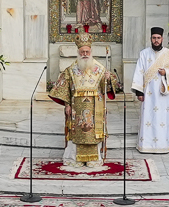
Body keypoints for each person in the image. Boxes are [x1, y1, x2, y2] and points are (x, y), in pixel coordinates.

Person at [49, 32, 120, 167]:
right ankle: (75, 158)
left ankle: (93, 158)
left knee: (92, 133)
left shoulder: (100, 68)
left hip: (95, 107)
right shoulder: (70, 70)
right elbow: (64, 88)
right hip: (76, 108)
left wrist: (108, 78)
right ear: (78, 52)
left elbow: (108, 85)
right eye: (82, 52)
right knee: (77, 132)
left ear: (91, 51)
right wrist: (67, 105)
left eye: (87, 51)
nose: (85, 54)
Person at [131, 27, 169, 154]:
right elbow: (139, 72)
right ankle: (146, 145)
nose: (156, 40)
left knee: (163, 118)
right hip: (148, 93)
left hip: (164, 93)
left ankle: (163, 145)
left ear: (162, 38)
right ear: (151, 38)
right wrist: (139, 92)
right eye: (154, 38)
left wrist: (166, 72)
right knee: (148, 117)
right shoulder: (144, 53)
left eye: (158, 38)